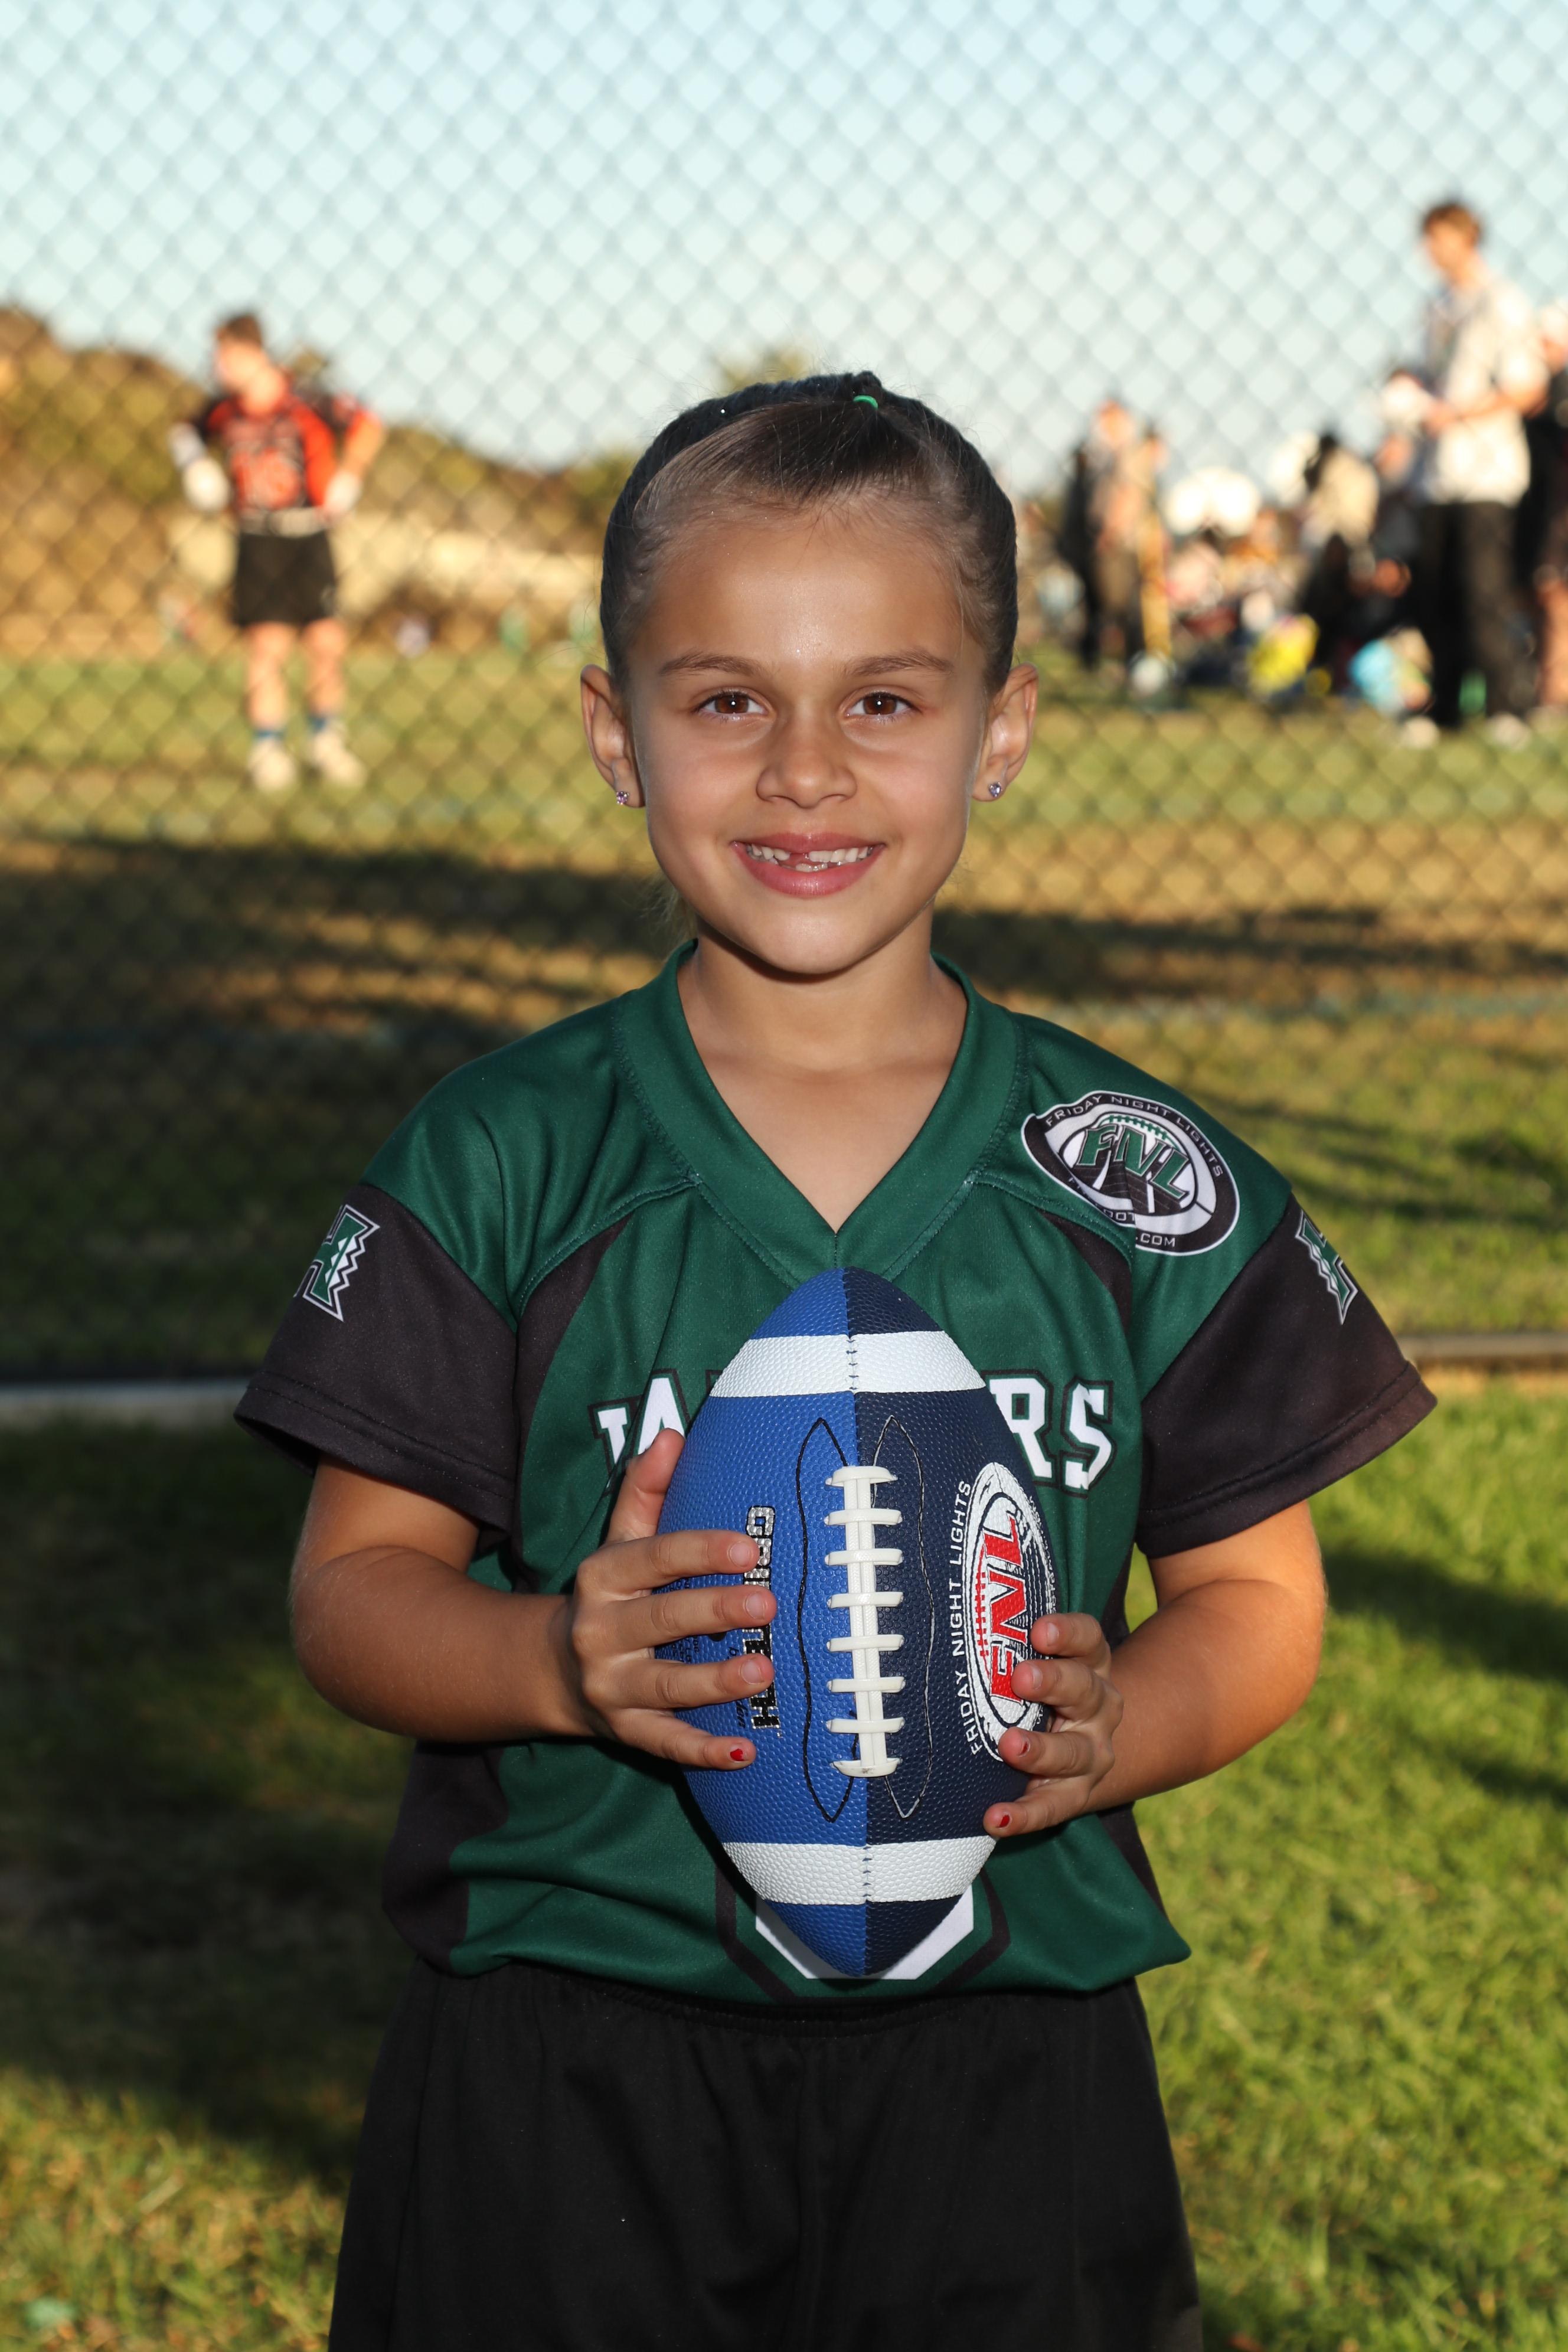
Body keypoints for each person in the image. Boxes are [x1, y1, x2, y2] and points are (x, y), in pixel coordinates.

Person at [236, 374, 1434, 2351]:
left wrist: (1122, 1723)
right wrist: (554, 1660)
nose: (803, 771)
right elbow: (350, 1593)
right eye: (727, 700)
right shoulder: (505, 1155)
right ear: (616, 734)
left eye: (882, 700)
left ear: (1001, 729)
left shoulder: (1133, 1175)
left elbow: (1259, 1603)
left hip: (1011, 2054)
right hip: (570, 2043)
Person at [168, 313, 384, 790]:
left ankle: (326, 741)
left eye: (225, 356)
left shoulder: (306, 398)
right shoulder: (224, 410)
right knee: (267, 646)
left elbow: (367, 424)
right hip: (256, 537)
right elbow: (183, 433)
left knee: (326, 641)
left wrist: (350, 477)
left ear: (252, 352)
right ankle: (267, 748)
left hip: (309, 532)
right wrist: (195, 468)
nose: (219, 367)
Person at [1400, 201, 1544, 748]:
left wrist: (1458, 414)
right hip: (1437, 474)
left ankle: (1508, 707)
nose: (1429, 251)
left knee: (1485, 594)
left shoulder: (1501, 301)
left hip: (1488, 473)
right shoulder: (1437, 305)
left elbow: (1526, 388)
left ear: (1466, 238)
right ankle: (1444, 709)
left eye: (1438, 238)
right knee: (1436, 596)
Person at [1522, 302, 1568, 711]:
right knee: (1544, 599)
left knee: (1554, 599)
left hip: (1558, 515)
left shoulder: (1559, 391)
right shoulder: (1539, 392)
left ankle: (1555, 693)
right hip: (1542, 510)